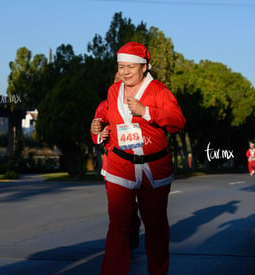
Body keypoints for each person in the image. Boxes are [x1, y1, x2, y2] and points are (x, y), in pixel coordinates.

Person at [91, 41, 185, 275]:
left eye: (130, 67)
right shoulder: (114, 91)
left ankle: (158, 270)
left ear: (144, 67)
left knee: (156, 227)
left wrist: (146, 112)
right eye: (121, 67)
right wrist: (100, 129)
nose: (124, 72)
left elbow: (178, 122)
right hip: (120, 164)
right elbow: (107, 117)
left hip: (154, 166)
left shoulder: (159, 91)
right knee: (118, 226)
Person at [90, 72, 141, 250]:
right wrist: (99, 131)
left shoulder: (140, 102)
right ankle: (122, 239)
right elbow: (97, 123)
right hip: (114, 162)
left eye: (124, 79)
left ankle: (133, 225)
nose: (119, 82)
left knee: (132, 203)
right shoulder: (106, 104)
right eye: (116, 79)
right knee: (119, 205)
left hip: (140, 161)